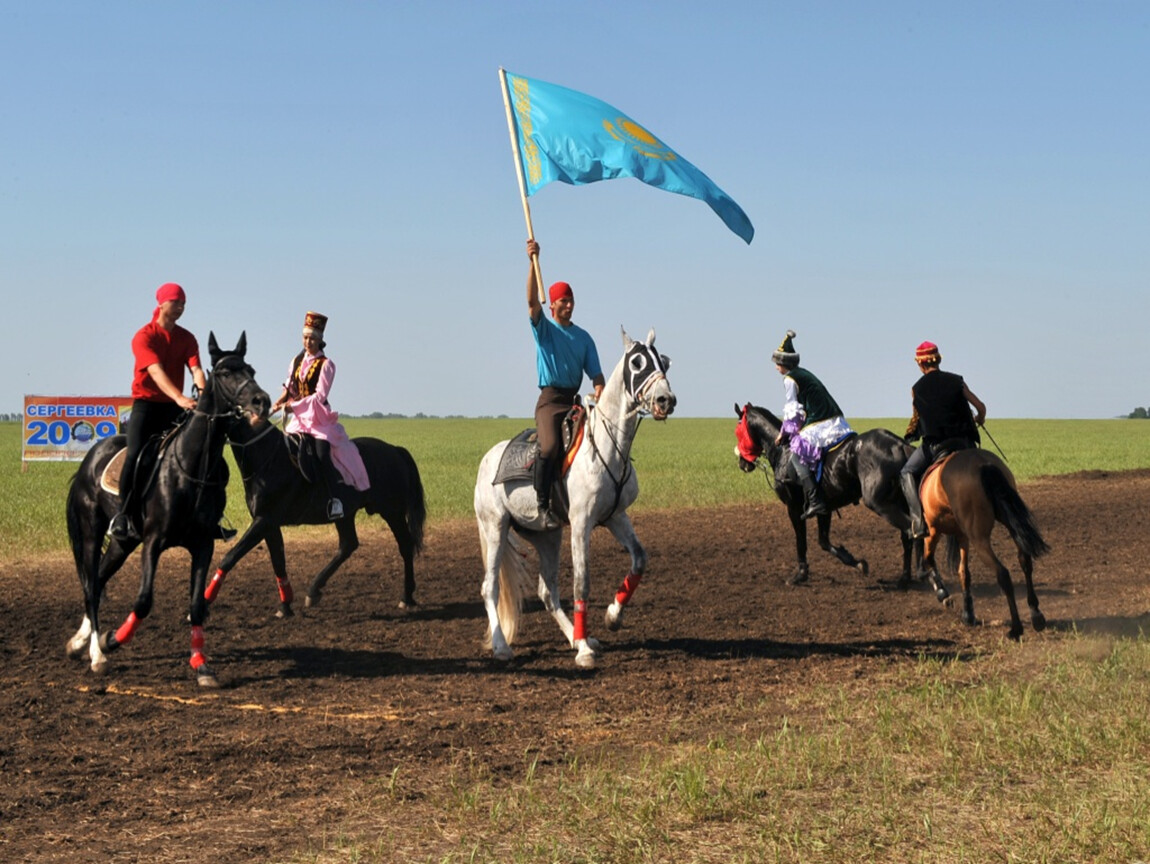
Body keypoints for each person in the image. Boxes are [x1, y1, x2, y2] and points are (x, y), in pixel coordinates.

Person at [109, 282, 209, 540]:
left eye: (184, 304)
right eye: (176, 302)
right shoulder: (144, 336)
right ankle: (122, 515)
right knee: (134, 454)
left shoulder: (187, 338)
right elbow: (156, 371)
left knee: (202, 452)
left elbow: (196, 369)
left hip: (175, 408)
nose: (181, 308)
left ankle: (207, 515)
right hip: (147, 406)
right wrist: (179, 397)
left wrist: (204, 393)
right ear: (162, 303)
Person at [525, 238, 605, 527]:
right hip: (550, 402)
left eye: (571, 300)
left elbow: (596, 376)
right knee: (548, 448)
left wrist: (599, 391)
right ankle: (542, 504)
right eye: (564, 301)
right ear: (554, 305)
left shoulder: (584, 338)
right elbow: (532, 302)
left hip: (574, 402)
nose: (569, 305)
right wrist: (533, 262)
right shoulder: (544, 330)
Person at [271, 311, 369, 520]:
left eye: (312, 338)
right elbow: (290, 386)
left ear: (320, 340)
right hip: (298, 419)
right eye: (305, 337)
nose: (308, 342)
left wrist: (294, 405)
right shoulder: (296, 361)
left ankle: (335, 500)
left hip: (318, 418)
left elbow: (320, 395)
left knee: (322, 452)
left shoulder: (326, 365)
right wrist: (279, 401)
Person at [900, 340, 987, 538]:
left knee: (906, 472)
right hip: (965, 443)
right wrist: (979, 419)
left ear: (920, 364)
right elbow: (981, 407)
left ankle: (918, 522)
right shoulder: (957, 380)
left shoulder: (917, 389)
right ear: (938, 360)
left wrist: (908, 436)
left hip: (936, 445)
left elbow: (916, 420)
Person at [771, 329, 854, 520]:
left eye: (777, 363)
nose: (776, 367)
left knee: (796, 457)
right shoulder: (803, 373)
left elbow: (794, 412)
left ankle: (815, 500)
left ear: (784, 363)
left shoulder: (790, 379)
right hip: (835, 418)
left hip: (820, 422)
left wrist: (783, 433)